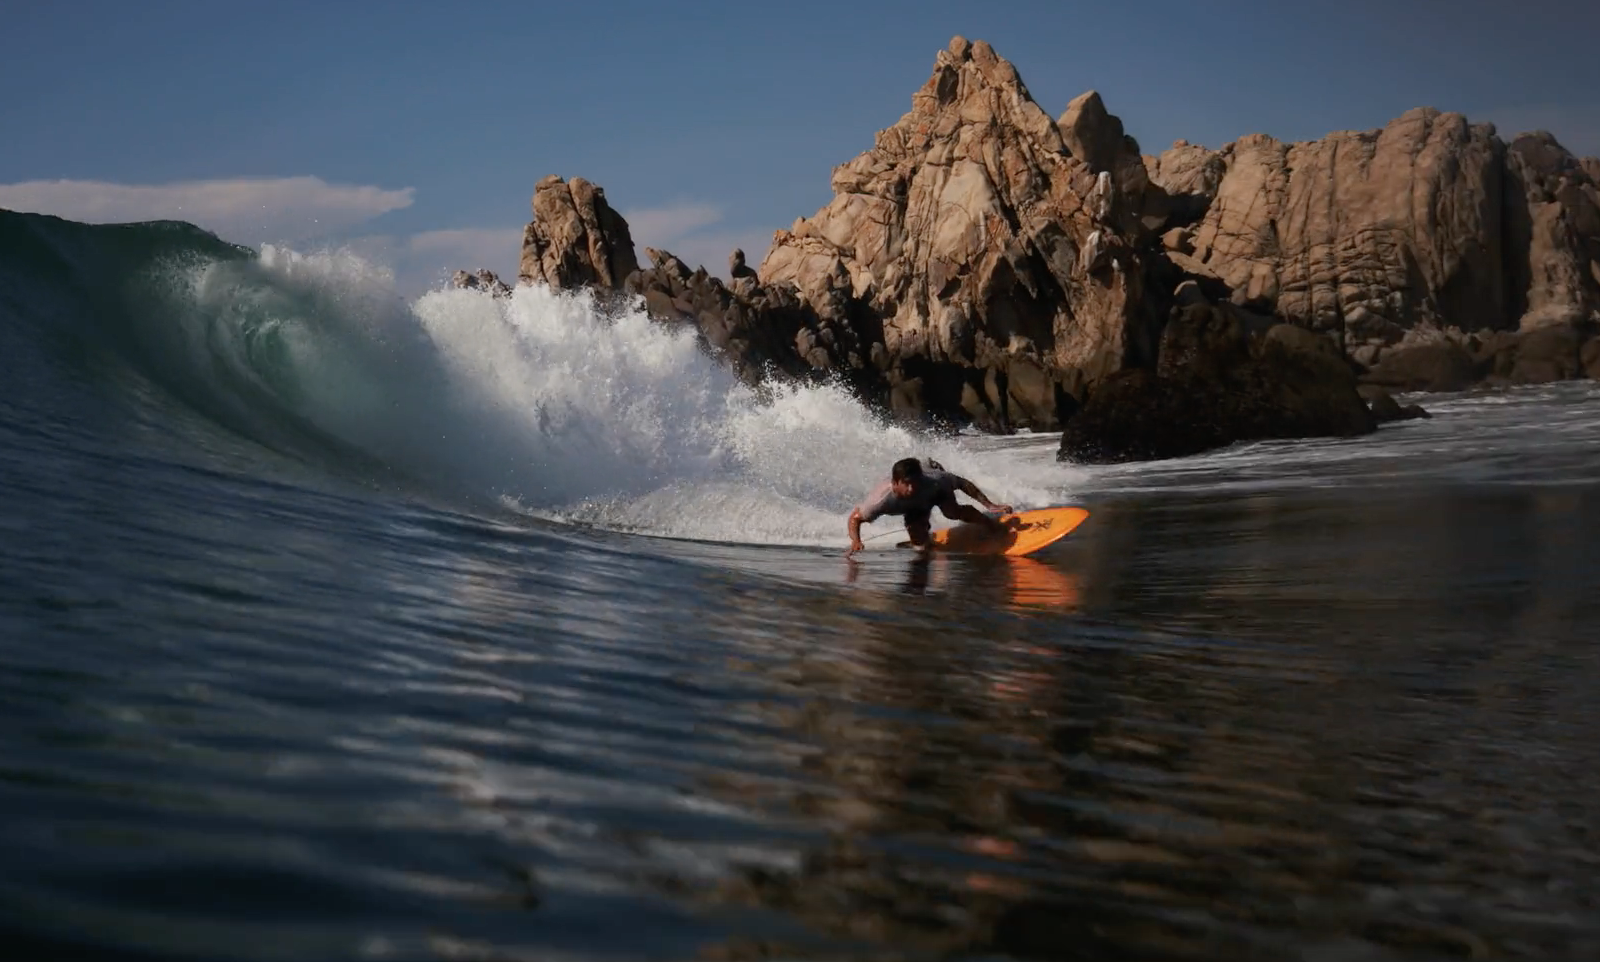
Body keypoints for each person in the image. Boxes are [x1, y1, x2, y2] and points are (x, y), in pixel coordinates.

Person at [846, 457, 1013, 557]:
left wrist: (990, 505)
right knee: (920, 543)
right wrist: (856, 541)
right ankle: (927, 539)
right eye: (907, 485)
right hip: (914, 507)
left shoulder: (933, 480)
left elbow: (962, 483)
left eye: (915, 483)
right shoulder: (880, 500)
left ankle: (991, 525)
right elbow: (855, 518)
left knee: (952, 512)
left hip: (933, 490)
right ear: (895, 483)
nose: (912, 488)